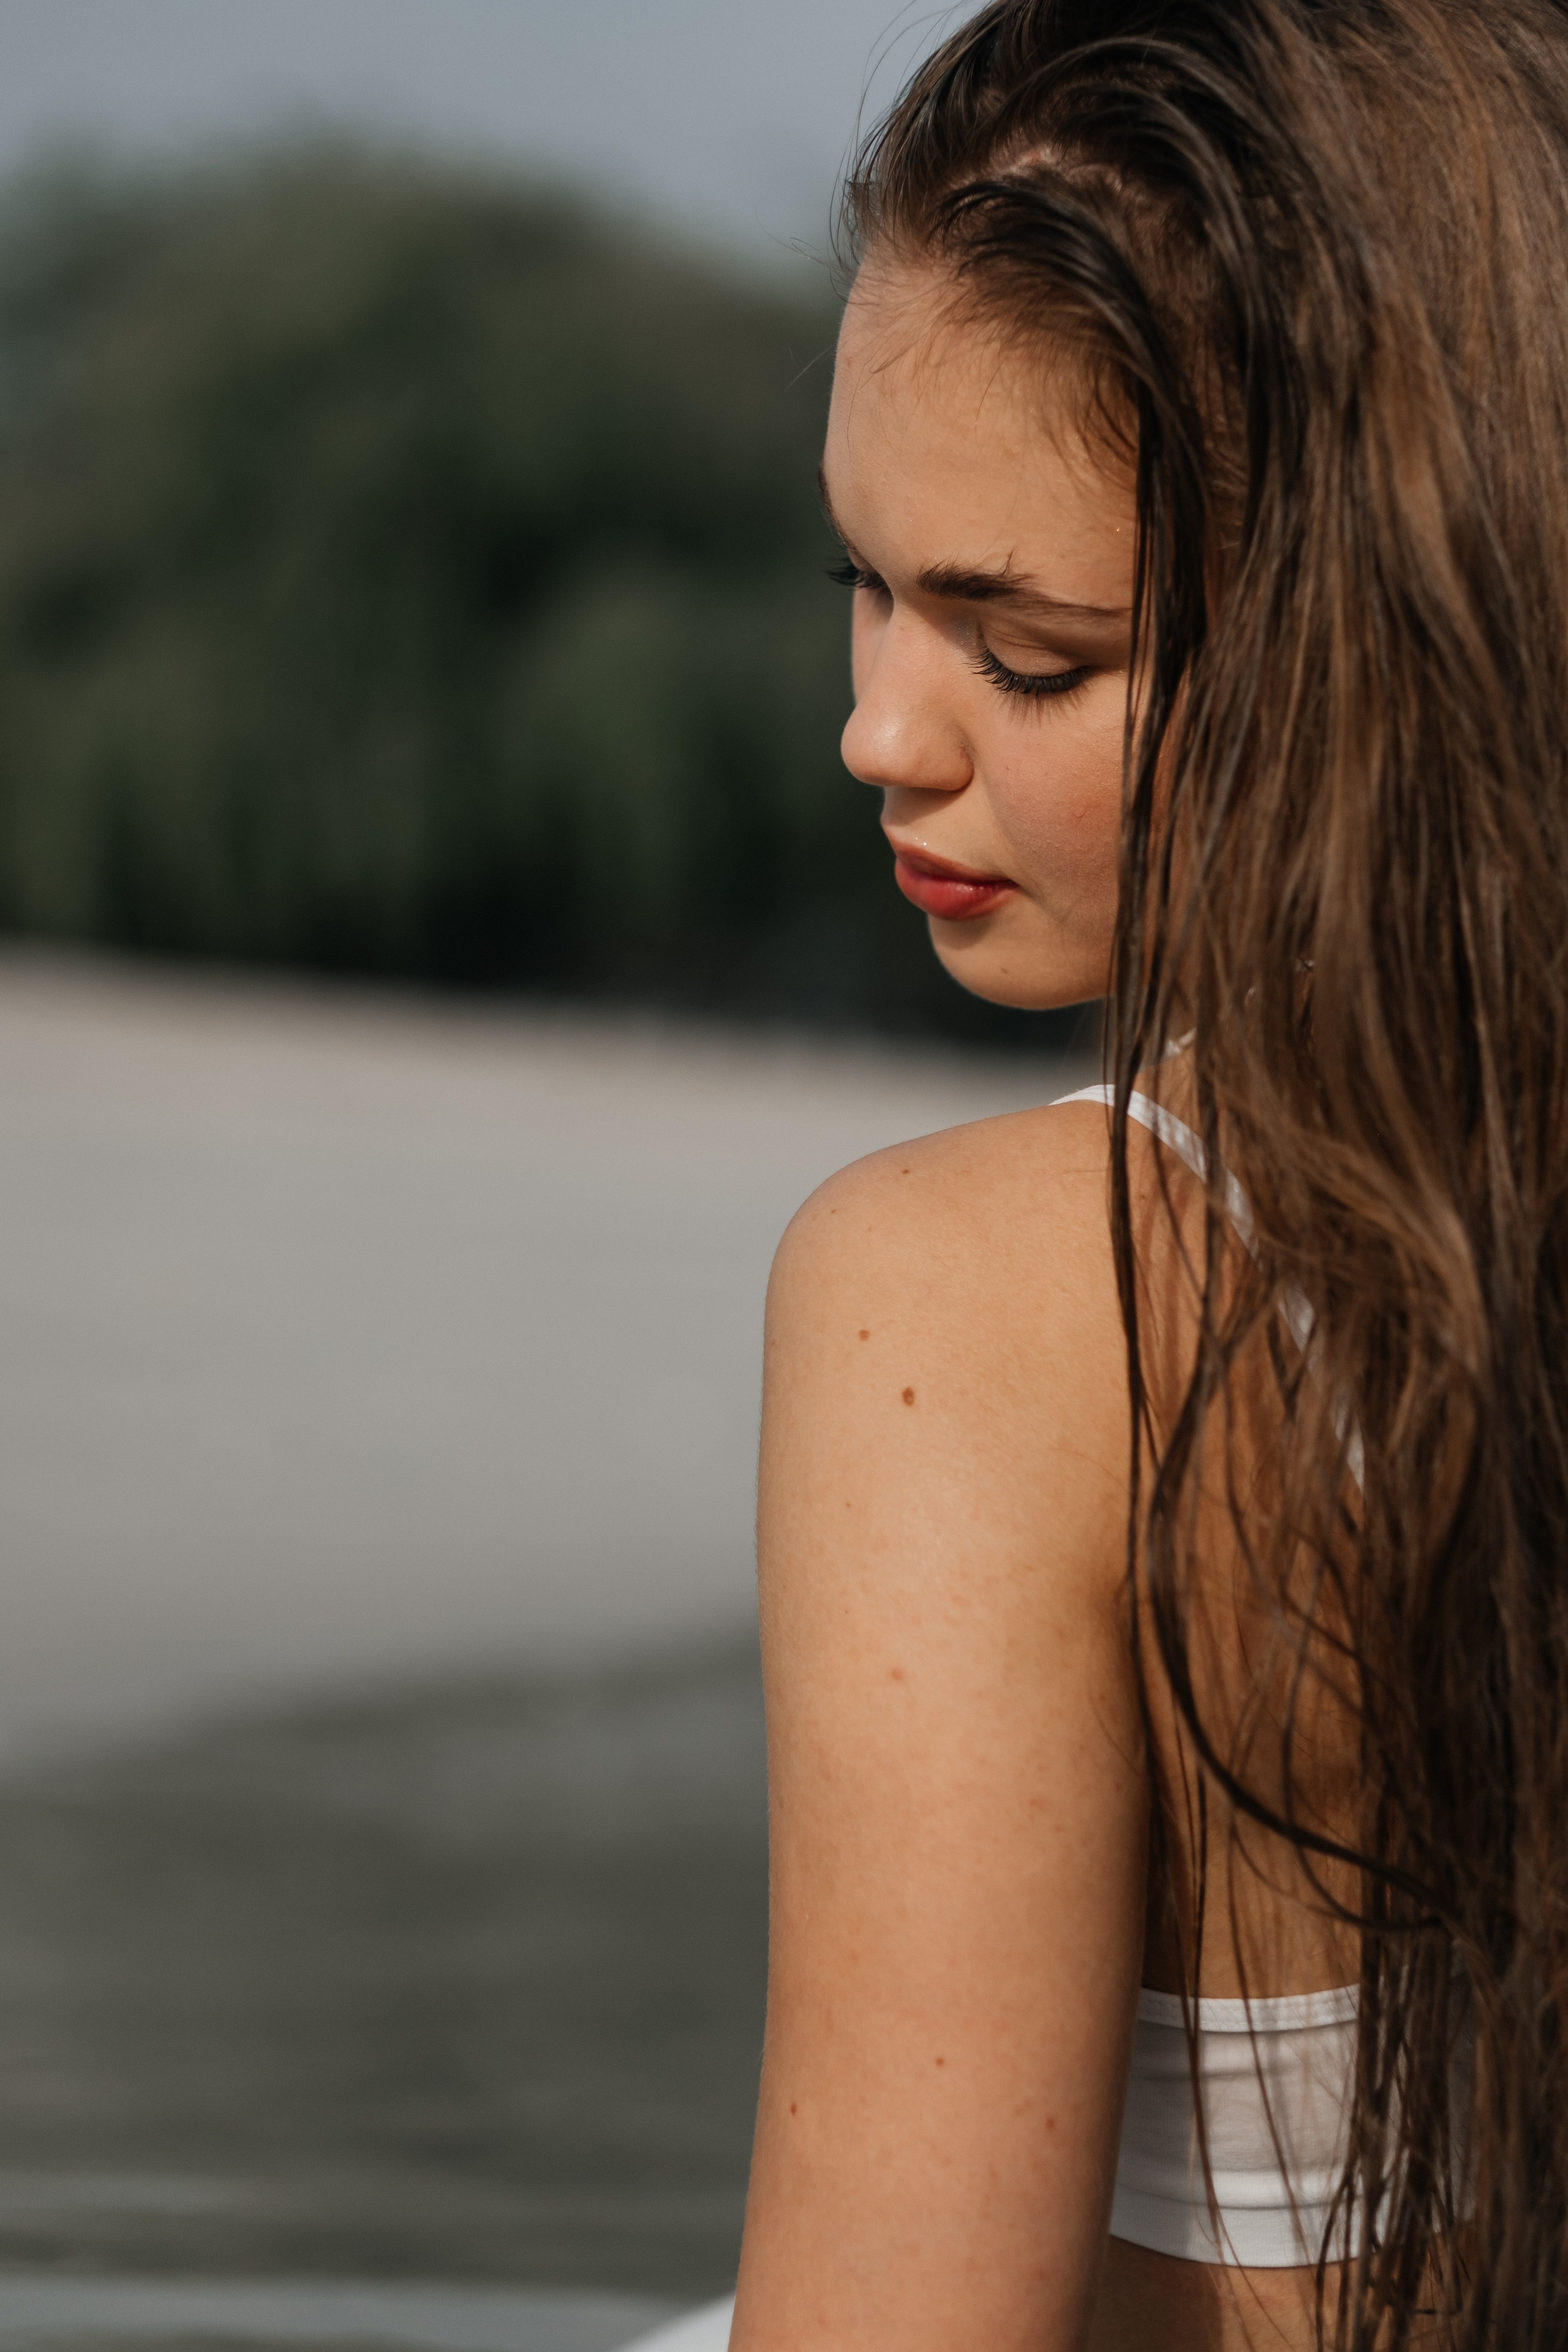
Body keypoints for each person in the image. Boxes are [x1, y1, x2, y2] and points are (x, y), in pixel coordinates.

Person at [714, 2, 1568, 2346]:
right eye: (864, 590)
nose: (880, 729)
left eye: (1031, 648)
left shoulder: (977, 1304)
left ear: (1395, 626)